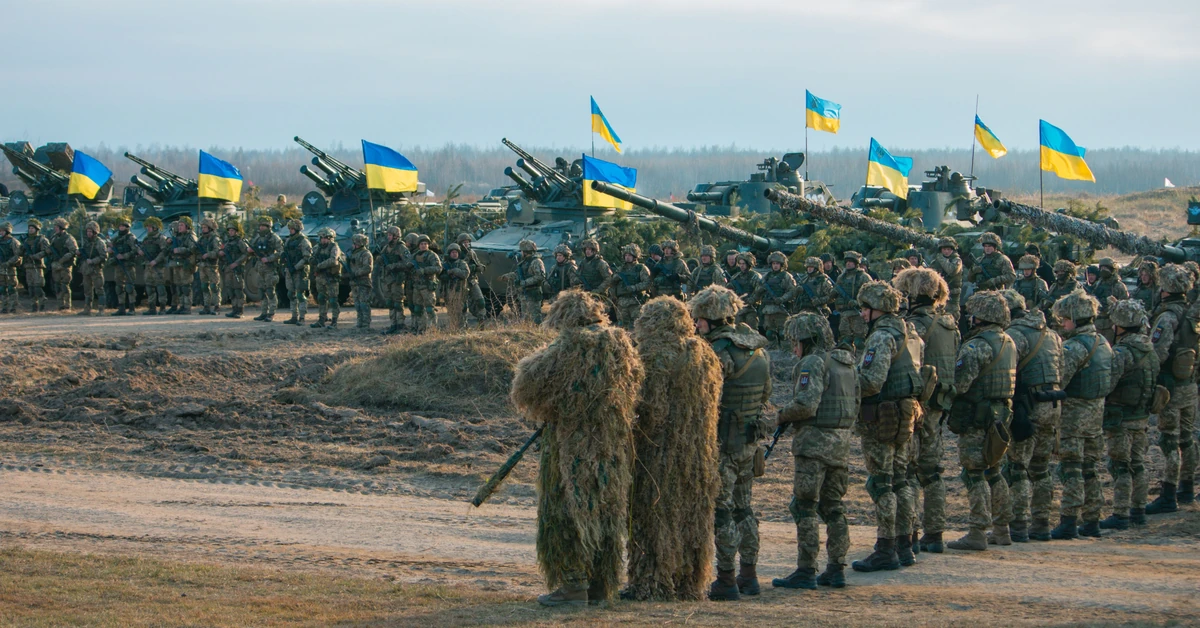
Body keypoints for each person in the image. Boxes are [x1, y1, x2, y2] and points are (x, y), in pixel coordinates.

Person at [510, 290, 642, 607]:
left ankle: (572, 587)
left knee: (568, 508)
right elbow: (636, 381)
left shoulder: (568, 344)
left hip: (571, 443)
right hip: (611, 444)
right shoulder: (621, 342)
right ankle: (600, 585)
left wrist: (553, 405)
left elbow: (526, 383)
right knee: (605, 510)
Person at [624, 297, 722, 601]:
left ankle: (652, 584)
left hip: (660, 452)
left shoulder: (652, 355)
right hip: (698, 451)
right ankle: (689, 583)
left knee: (655, 516)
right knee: (693, 518)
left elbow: (650, 410)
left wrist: (632, 432)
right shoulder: (704, 353)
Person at [688, 285, 770, 601]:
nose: (696, 325)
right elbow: (765, 395)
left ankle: (726, 579)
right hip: (749, 440)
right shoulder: (756, 348)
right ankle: (749, 574)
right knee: (744, 509)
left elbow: (703, 397)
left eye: (699, 320)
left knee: (722, 512)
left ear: (712, 318)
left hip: (723, 442)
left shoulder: (717, 351)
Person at [771, 312, 858, 590]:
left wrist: (780, 416)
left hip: (814, 445)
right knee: (833, 507)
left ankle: (806, 569)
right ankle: (836, 568)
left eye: (796, 341)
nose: (793, 348)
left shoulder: (811, 363)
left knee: (804, 505)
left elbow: (806, 405)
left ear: (807, 340)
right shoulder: (845, 362)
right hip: (841, 443)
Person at [851, 281, 924, 570]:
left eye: (865, 308)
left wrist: (847, 383)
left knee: (882, 482)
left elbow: (871, 381)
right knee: (902, 479)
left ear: (876, 309)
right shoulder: (909, 331)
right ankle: (905, 544)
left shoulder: (881, 337)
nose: (862, 314)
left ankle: (885, 548)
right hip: (907, 413)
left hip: (882, 417)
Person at [893, 268, 959, 554]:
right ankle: (935, 533)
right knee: (932, 472)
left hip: (915, 406)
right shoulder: (949, 326)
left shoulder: (911, 326)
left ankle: (909, 533)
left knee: (907, 471)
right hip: (938, 406)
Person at [945, 291, 1016, 551]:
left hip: (977, 416)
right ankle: (1001, 528)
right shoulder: (1008, 341)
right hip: (1001, 415)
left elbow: (961, 384)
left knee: (974, 474)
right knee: (996, 472)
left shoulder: (977, 346)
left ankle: (977, 530)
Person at [998, 290, 1063, 543]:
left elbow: (1008, 372)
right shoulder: (1053, 334)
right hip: (1053, 403)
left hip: (1029, 406)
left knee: (1018, 468)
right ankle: (1042, 524)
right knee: (1042, 468)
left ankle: (1019, 525)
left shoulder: (1014, 334)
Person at [1050, 290, 1113, 540]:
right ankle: (1092, 520)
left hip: (1074, 417)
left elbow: (1060, 381)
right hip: (1096, 415)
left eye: (1065, 319)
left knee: (1072, 469)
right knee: (1090, 470)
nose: (1062, 324)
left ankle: (1068, 520)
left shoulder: (1073, 347)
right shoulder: (1103, 342)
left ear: (1075, 319)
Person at [1146, 264, 1199, 513]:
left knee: (1170, 440)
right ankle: (1187, 488)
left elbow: (1157, 353)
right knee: (1187, 439)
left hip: (1170, 388)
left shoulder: (1167, 317)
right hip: (1189, 384)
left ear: (1165, 289)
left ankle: (1168, 494)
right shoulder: (1191, 314)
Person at [1102, 299, 1158, 531]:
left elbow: (1108, 383)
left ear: (1121, 325)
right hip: (1141, 416)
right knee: (1139, 464)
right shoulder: (1150, 350)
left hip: (1121, 417)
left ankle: (1121, 513)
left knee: (1120, 466)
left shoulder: (1122, 352)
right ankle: (1138, 510)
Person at [598, 244, 650, 330]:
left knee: (636, 325)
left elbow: (647, 283)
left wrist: (634, 287)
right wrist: (615, 279)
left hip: (635, 302)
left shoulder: (640, 268)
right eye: (626, 255)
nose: (627, 257)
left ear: (635, 256)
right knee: (622, 326)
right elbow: (611, 284)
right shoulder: (620, 269)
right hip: (622, 303)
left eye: (629, 255)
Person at [751, 251, 797, 348]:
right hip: (768, 309)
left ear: (781, 265)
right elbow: (757, 291)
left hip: (781, 310)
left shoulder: (786, 276)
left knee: (783, 334)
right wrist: (760, 291)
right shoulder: (766, 277)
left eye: (777, 264)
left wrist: (782, 299)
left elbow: (792, 291)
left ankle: (787, 352)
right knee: (769, 334)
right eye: (773, 264)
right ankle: (773, 352)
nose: (775, 266)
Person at [376, 227, 413, 334]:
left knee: (397, 302)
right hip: (387, 279)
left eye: (390, 235)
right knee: (390, 302)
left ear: (396, 236)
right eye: (388, 235)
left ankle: (400, 324)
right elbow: (381, 259)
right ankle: (393, 323)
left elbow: (408, 263)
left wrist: (394, 266)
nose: (388, 237)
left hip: (397, 278)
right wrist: (380, 259)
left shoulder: (401, 248)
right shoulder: (386, 248)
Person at [833, 251, 871, 350]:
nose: (848, 264)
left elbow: (870, 294)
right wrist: (833, 292)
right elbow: (835, 292)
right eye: (847, 262)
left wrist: (858, 302)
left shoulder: (863, 276)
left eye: (851, 262)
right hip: (844, 313)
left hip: (858, 313)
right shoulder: (841, 277)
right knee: (845, 341)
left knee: (859, 341)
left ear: (856, 263)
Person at [249, 217, 283, 322]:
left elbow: (281, 252)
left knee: (270, 291)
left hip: (270, 268)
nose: (261, 228)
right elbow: (251, 247)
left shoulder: (275, 238)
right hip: (260, 268)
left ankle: (271, 313)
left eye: (263, 226)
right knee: (261, 291)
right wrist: (250, 250)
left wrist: (269, 258)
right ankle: (263, 312)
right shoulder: (258, 237)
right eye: (260, 226)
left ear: (268, 227)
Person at [281, 218, 312, 325]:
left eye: (292, 228)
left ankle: (302, 317)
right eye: (289, 228)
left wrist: (296, 267)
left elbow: (307, 257)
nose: (290, 230)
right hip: (290, 270)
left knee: (300, 294)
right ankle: (294, 316)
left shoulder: (304, 241)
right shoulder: (289, 241)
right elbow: (285, 253)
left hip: (300, 271)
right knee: (291, 293)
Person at [139, 217, 172, 316]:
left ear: (155, 228)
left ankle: (162, 308)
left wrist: (156, 261)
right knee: (149, 287)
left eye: (150, 226)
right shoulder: (146, 238)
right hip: (148, 266)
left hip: (158, 267)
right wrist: (140, 252)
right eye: (147, 226)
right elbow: (143, 249)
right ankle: (152, 308)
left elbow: (164, 251)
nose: (148, 228)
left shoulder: (161, 238)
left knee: (160, 287)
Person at [1091, 258, 1129, 343]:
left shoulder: (1119, 286)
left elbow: (1125, 306)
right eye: (1101, 268)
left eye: (1106, 268)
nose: (1103, 270)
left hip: (1111, 324)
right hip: (1097, 323)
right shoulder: (1097, 285)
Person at [220, 220, 252, 319]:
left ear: (237, 231)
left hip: (237, 268)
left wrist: (237, 263)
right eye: (229, 230)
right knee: (230, 289)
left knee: (238, 290)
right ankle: (234, 309)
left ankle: (240, 310)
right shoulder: (228, 242)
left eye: (232, 230)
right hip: (228, 268)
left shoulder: (240, 242)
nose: (230, 232)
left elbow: (246, 254)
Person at [106, 218, 138, 316]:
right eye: (120, 226)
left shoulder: (131, 238)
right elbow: (111, 248)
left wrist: (124, 256)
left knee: (130, 287)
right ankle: (121, 308)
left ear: (127, 227)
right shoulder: (116, 238)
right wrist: (110, 250)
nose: (121, 228)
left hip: (128, 265)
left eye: (123, 226)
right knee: (119, 287)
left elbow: (135, 250)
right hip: (119, 265)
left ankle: (132, 308)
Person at [409, 234, 441, 333]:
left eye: (425, 244)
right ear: (418, 245)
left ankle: (433, 329)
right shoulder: (415, 255)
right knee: (418, 309)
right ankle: (421, 328)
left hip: (427, 286)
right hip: (417, 286)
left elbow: (438, 268)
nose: (423, 246)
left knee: (430, 309)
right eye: (422, 244)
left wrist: (424, 270)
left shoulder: (432, 255)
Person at [78, 220, 108, 315]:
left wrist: (93, 261)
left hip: (96, 269)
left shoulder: (99, 242)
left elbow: (104, 256)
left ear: (95, 232)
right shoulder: (86, 243)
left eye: (90, 231)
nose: (88, 233)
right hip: (86, 269)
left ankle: (101, 309)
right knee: (87, 290)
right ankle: (87, 309)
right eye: (87, 231)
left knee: (99, 289)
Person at [48, 217, 78, 311]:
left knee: (65, 285)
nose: (55, 229)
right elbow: (50, 249)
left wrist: (63, 259)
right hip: (56, 265)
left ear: (61, 228)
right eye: (55, 227)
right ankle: (60, 305)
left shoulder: (68, 238)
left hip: (65, 265)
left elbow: (73, 251)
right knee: (57, 285)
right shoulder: (54, 238)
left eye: (57, 227)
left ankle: (67, 305)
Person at [456, 233, 488, 320]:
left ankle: (481, 318)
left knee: (481, 301)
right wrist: (468, 259)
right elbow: (458, 266)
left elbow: (477, 262)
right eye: (464, 242)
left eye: (467, 242)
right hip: (462, 281)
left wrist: (480, 267)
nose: (466, 244)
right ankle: (463, 322)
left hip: (473, 280)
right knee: (463, 305)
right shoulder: (457, 253)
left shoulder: (472, 252)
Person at [21, 219, 50, 312]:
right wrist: (22, 248)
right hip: (28, 266)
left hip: (37, 266)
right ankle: (34, 305)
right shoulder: (26, 240)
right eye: (29, 228)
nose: (30, 230)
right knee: (31, 288)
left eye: (32, 228)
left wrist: (36, 256)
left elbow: (47, 250)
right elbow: (19, 252)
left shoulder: (41, 239)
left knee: (38, 287)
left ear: (36, 229)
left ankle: (42, 302)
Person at [346, 233, 374, 329]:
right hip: (355, 283)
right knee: (357, 304)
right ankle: (360, 322)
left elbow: (368, 268)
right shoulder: (353, 253)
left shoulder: (366, 254)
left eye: (354, 243)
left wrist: (356, 273)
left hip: (363, 282)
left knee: (364, 304)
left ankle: (366, 324)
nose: (353, 245)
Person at [196, 218, 223, 315]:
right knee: (204, 286)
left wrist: (208, 254)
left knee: (214, 286)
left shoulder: (214, 239)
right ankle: (206, 306)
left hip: (212, 266)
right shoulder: (202, 239)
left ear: (210, 228)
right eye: (202, 227)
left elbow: (217, 252)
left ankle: (217, 306)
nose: (203, 229)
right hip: (202, 266)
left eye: (205, 227)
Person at [728, 253, 761, 331]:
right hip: (739, 309)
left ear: (748, 264)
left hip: (751, 309)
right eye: (740, 264)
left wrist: (751, 300)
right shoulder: (736, 277)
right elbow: (729, 290)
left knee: (752, 331)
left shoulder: (754, 276)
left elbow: (759, 291)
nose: (742, 266)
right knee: (737, 330)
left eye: (744, 264)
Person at [931, 237, 964, 315]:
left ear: (952, 250)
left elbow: (951, 271)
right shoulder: (936, 261)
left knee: (952, 318)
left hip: (952, 296)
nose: (946, 251)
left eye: (949, 249)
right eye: (944, 249)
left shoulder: (957, 260)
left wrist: (941, 258)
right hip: (939, 295)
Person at [440, 242, 469, 328]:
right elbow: (440, 276)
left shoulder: (462, 263)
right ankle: (454, 326)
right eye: (452, 252)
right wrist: (448, 275)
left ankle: (462, 327)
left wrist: (455, 271)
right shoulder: (445, 264)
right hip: (449, 290)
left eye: (456, 252)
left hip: (460, 290)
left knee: (461, 310)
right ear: (449, 253)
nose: (454, 254)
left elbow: (465, 274)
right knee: (451, 310)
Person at [0, 222, 21, 313]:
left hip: (10, 268)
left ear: (7, 231)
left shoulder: (14, 242)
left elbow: (18, 255)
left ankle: (13, 307)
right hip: (1, 269)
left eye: (2, 231)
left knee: (12, 288)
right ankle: (4, 307)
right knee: (2, 288)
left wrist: (8, 263)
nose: (0, 233)